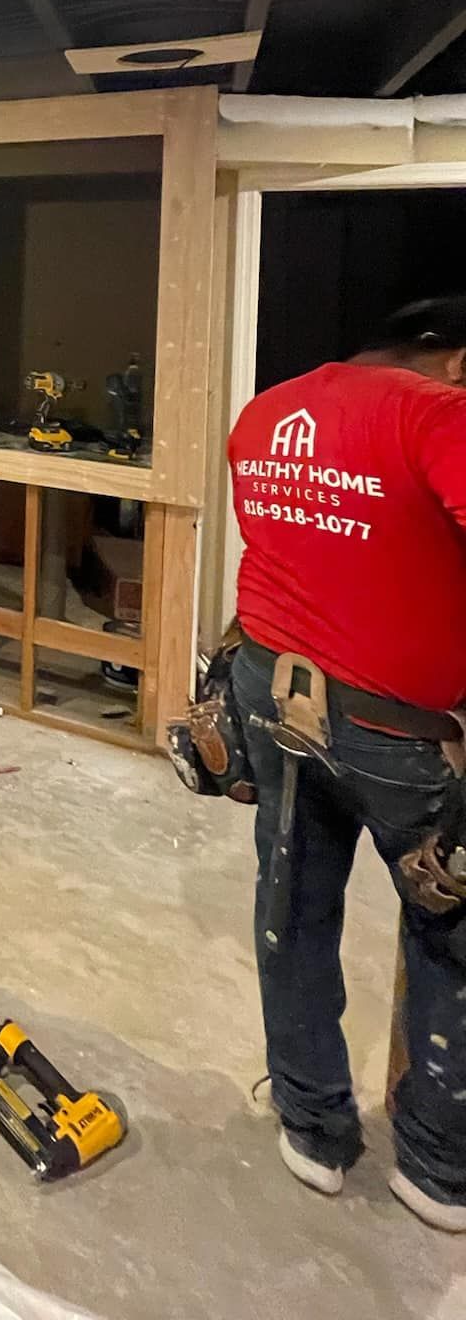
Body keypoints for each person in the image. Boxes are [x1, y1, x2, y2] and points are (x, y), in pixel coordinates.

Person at [227, 296, 466, 1232]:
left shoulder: (268, 410)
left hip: (272, 692)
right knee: (449, 929)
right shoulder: (432, 412)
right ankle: (439, 1171)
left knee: (292, 900)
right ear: (450, 358)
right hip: (396, 730)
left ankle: (311, 1131)